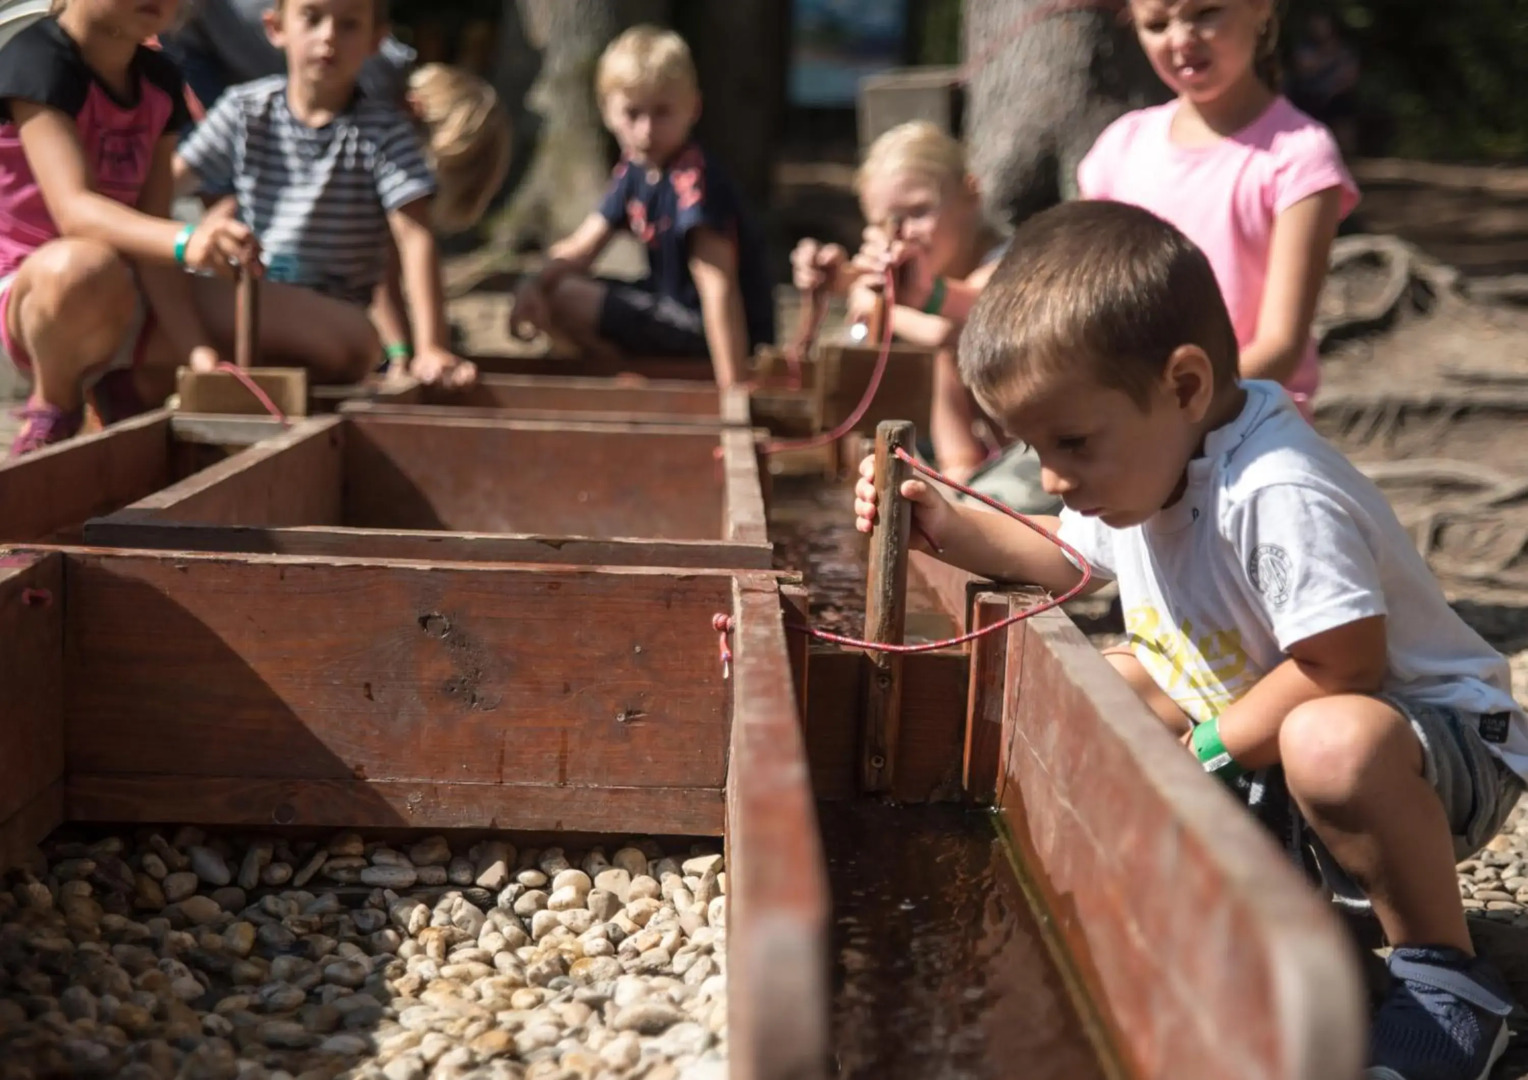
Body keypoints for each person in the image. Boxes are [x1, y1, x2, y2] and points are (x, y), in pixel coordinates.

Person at [854, 200, 1525, 1080]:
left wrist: (1205, 748)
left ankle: (1449, 979)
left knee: (1326, 741)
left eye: (1071, 443)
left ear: (1183, 386)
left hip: (1428, 746)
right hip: (1279, 728)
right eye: (1033, 446)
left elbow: (1342, 667)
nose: (1054, 476)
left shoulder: (1277, 490)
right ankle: (1323, 958)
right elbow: (1062, 556)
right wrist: (942, 521)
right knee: (1111, 686)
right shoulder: (1148, 461)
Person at [1077, 0, 1359, 422]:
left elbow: (1279, 347)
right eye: (1156, 24)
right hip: (1129, 426)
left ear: (1260, 10)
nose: (1181, 40)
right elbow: (1074, 290)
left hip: (1252, 425)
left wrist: (1164, 419)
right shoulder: (1121, 147)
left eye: (1205, 13)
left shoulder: (1299, 155)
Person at [0, 0, 261, 455]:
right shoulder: (35, 56)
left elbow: (150, 235)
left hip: (124, 295)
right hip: (31, 300)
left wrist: (201, 358)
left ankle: (126, 392)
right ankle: (55, 404)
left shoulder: (160, 79)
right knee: (82, 267)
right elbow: (75, 211)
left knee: (342, 341)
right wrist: (185, 239)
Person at [173, 0, 477, 388]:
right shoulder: (245, 110)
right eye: (312, 19)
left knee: (353, 340)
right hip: (253, 297)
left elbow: (414, 236)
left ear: (375, 41)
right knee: (162, 296)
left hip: (331, 313)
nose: (329, 37)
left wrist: (430, 346)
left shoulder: (384, 134)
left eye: (349, 25)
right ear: (276, 28)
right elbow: (168, 183)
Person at [790, 120, 1058, 515]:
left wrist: (878, 302)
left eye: (918, 211)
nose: (905, 235)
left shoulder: (1012, 263)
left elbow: (950, 328)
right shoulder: (911, 271)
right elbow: (837, 357)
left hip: (1032, 468)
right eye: (887, 223)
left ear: (971, 193)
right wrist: (828, 286)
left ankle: (958, 482)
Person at [506, 24, 772, 390]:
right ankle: (626, 373)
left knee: (567, 296)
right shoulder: (635, 171)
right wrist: (530, 283)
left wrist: (733, 389)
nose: (646, 130)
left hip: (714, 331)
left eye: (662, 112)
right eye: (632, 114)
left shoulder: (694, 182)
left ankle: (659, 378)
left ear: (692, 108)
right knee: (555, 288)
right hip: (667, 309)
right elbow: (580, 249)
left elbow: (718, 289)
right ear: (607, 113)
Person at [1288, 13, 1360, 161]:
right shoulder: (1305, 48)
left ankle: (1347, 157)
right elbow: (1305, 67)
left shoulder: (1343, 49)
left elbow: (1350, 75)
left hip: (1336, 96)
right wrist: (1328, 57)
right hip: (1309, 96)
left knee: (1344, 107)